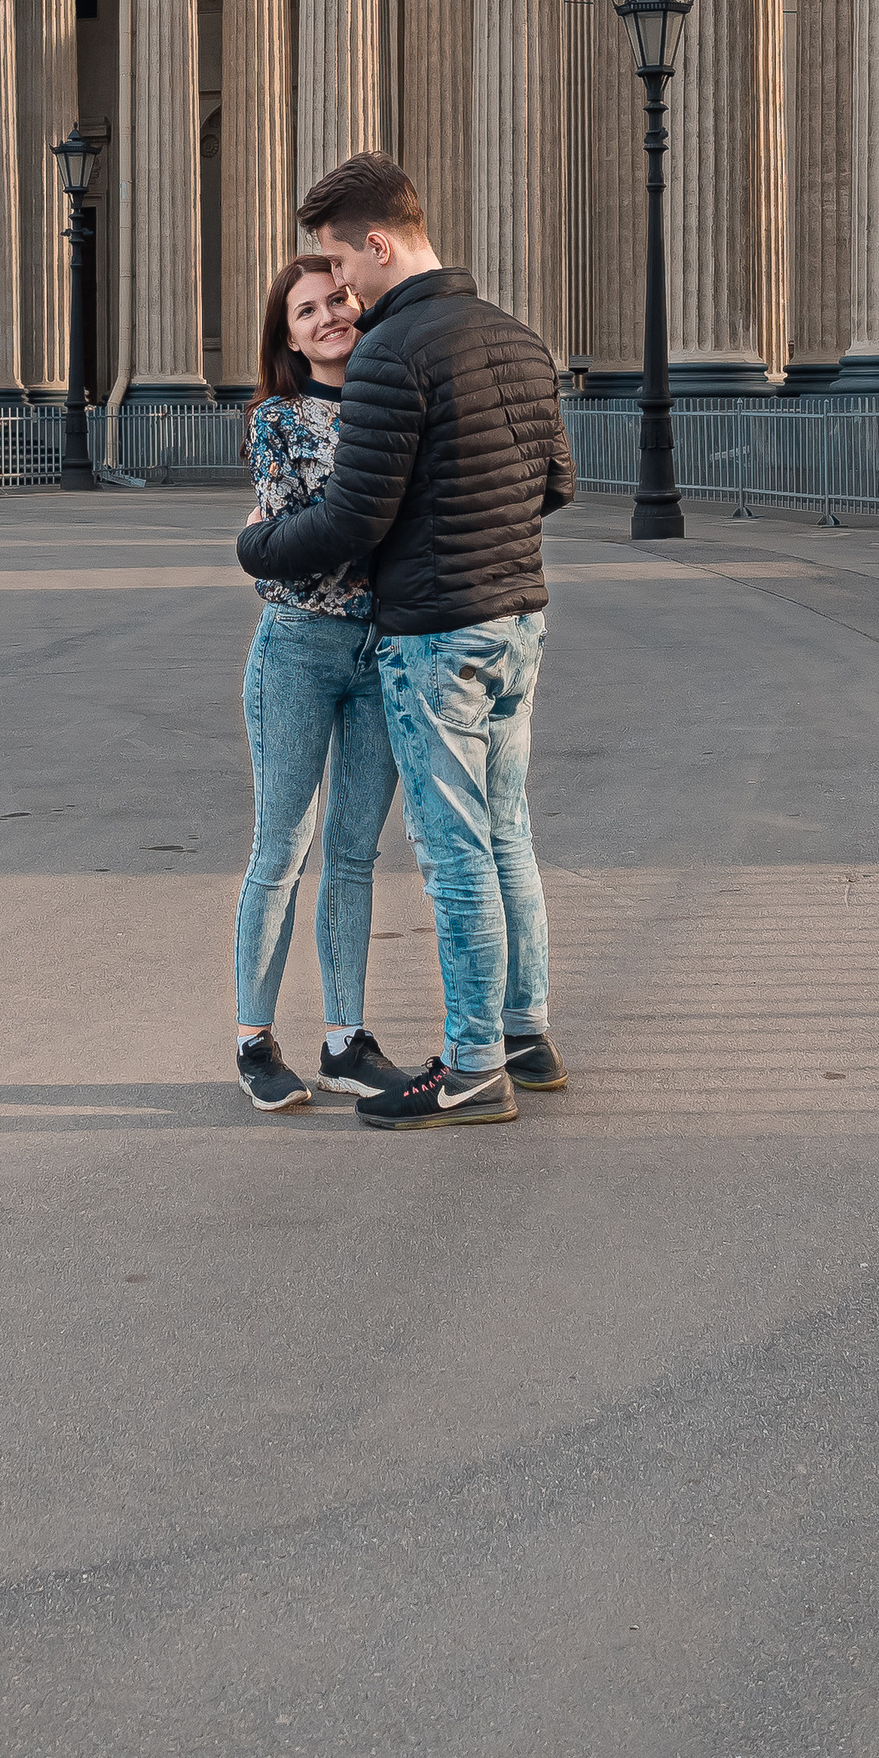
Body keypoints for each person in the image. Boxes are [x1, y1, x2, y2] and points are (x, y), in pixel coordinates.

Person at [236, 152, 574, 1129]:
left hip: (437, 630)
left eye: (341, 261)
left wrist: (256, 543)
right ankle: (524, 1032)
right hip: (520, 617)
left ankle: (471, 1066)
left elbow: (353, 517)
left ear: (379, 243)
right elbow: (555, 482)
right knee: (507, 830)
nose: (339, 284)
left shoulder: (394, 347)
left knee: (454, 846)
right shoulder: (514, 335)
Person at [232, 255, 410, 1117]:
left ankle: (345, 1040)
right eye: (306, 311)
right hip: (300, 647)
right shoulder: (275, 417)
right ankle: (255, 1040)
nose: (329, 317)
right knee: (282, 851)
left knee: (354, 853)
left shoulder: (389, 400)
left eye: (337, 299)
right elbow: (296, 543)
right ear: (288, 336)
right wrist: (362, 518)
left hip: (383, 652)